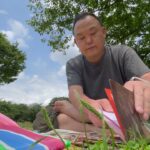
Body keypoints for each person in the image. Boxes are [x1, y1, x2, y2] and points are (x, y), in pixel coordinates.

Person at [33, 12, 150, 133]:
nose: (88, 40)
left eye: (93, 33)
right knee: (59, 117)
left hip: (121, 113)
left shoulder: (123, 53)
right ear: (76, 42)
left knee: (66, 116)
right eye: (81, 37)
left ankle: (86, 120)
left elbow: (147, 78)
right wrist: (89, 108)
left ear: (104, 32)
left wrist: (141, 83)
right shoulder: (73, 64)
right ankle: (98, 129)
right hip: (90, 112)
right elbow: (75, 93)